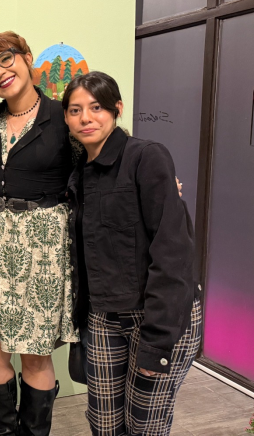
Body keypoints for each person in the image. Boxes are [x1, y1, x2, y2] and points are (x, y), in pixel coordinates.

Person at [62, 71, 202, 436]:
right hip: (103, 316)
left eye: (96, 107)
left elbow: (173, 251)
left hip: (155, 314)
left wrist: (158, 340)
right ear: (66, 118)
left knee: (144, 425)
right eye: (75, 110)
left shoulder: (146, 157)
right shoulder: (77, 173)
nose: (86, 118)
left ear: (117, 109)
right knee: (104, 424)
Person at [0, 31, 79, 436]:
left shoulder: (61, 115)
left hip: (43, 243)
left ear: (27, 57)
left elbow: (98, 159)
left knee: (34, 356)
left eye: (6, 58)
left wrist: (150, 181)